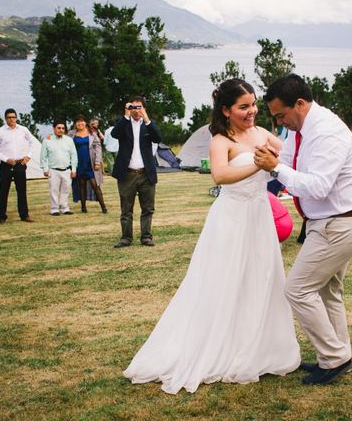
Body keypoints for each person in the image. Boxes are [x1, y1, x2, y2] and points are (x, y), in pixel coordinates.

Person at [123, 79, 300, 394]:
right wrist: (258, 165)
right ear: (226, 110)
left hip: (260, 216)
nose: (251, 111)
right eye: (243, 106)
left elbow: (287, 157)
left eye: (253, 104)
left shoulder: (263, 134)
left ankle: (259, 349)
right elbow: (220, 175)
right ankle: (217, 348)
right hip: (231, 218)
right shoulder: (221, 139)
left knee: (260, 279)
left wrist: (276, 163)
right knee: (224, 281)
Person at [254, 74, 352, 386]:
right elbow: (287, 161)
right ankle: (337, 354)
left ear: (301, 104)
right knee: (327, 290)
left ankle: (333, 357)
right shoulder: (300, 129)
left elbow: (318, 186)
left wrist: (275, 168)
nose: (280, 123)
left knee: (297, 289)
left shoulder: (327, 132)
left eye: (282, 115)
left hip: (342, 223)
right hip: (331, 222)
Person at [111, 95, 162, 248]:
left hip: (146, 173)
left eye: (139, 107)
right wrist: (125, 116)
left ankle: (146, 236)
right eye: (132, 107)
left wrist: (146, 119)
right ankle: (126, 237)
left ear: (144, 108)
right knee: (126, 209)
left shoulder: (149, 124)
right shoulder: (123, 124)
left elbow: (157, 138)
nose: (135, 110)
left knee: (147, 208)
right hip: (127, 174)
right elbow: (114, 134)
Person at [0, 109, 37, 223]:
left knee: (21, 190)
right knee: (3, 190)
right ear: (5, 118)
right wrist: (6, 159)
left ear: (16, 118)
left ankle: (24, 215)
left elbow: (32, 142)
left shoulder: (23, 130)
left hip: (20, 163)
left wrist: (28, 156)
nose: (12, 119)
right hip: (6, 164)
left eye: (13, 117)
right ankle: (2, 215)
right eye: (9, 117)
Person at [68, 115, 108, 214]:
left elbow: (98, 148)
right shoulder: (71, 134)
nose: (79, 123)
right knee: (81, 185)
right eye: (77, 122)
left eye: (81, 121)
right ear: (75, 124)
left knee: (95, 185)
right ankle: (83, 208)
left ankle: (103, 207)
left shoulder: (92, 133)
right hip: (79, 163)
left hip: (91, 163)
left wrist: (98, 162)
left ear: (85, 122)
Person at [40, 120, 78, 216]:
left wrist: (74, 169)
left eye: (63, 128)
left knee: (66, 190)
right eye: (59, 128)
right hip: (53, 170)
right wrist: (45, 169)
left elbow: (74, 155)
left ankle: (65, 208)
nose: (61, 130)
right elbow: (43, 157)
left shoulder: (69, 140)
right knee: (54, 190)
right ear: (54, 129)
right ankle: (54, 209)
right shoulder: (47, 140)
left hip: (66, 170)